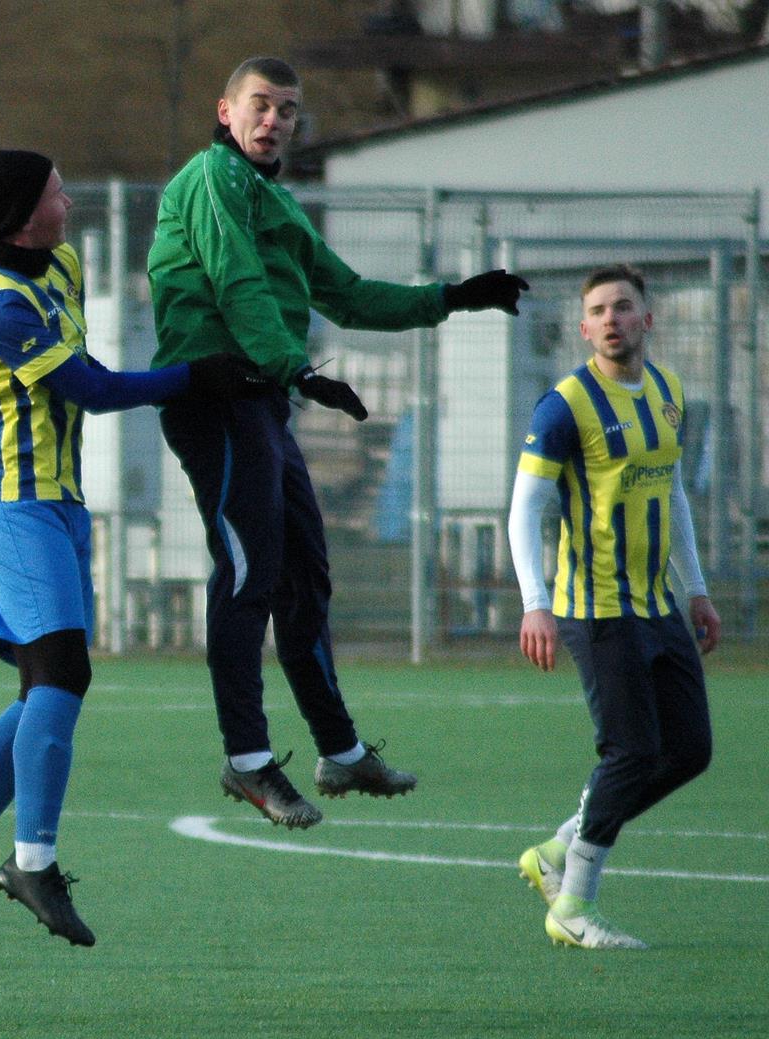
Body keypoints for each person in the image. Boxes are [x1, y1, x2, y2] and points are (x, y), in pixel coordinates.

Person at [147, 55, 530, 829]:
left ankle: (341, 752)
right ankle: (247, 760)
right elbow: (234, 282)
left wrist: (451, 298)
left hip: (260, 401)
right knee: (249, 572)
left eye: (287, 110)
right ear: (226, 112)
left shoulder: (274, 199)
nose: (273, 120)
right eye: (260, 104)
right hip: (217, 395)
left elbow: (348, 295)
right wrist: (297, 369)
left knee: (306, 580)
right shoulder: (211, 180)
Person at [0, 147, 257, 951]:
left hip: (56, 509)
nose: (69, 195)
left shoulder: (55, 260)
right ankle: (32, 864)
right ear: (25, 216)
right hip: (12, 510)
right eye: (56, 188)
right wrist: (198, 376)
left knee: (40, 692)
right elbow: (92, 389)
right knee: (64, 675)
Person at [509, 264, 718, 949]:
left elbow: (675, 494)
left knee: (688, 751)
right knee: (630, 751)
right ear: (583, 326)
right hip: (594, 606)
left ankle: (557, 849)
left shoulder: (667, 391)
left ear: (646, 320)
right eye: (596, 310)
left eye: (622, 307)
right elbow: (525, 510)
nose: (609, 320)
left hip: (658, 604)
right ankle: (572, 905)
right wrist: (534, 603)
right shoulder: (564, 405)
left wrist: (696, 589)